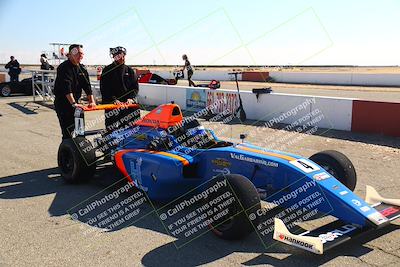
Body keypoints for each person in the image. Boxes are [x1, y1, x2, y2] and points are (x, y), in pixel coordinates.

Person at [53, 44, 96, 139]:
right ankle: (67, 151)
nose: (80, 56)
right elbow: (66, 87)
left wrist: (92, 101)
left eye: (82, 53)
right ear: (70, 55)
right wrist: (73, 104)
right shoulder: (63, 67)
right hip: (63, 104)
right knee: (68, 132)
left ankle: (80, 151)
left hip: (76, 104)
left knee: (80, 132)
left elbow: (87, 86)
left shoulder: (82, 68)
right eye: (77, 53)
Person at [100, 46, 139, 130]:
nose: (122, 57)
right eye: (119, 55)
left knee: (128, 129)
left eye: (123, 55)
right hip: (111, 105)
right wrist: (114, 100)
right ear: (114, 57)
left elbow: (135, 88)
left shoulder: (130, 70)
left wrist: (131, 98)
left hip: (127, 105)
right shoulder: (107, 70)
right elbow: (104, 88)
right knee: (111, 130)